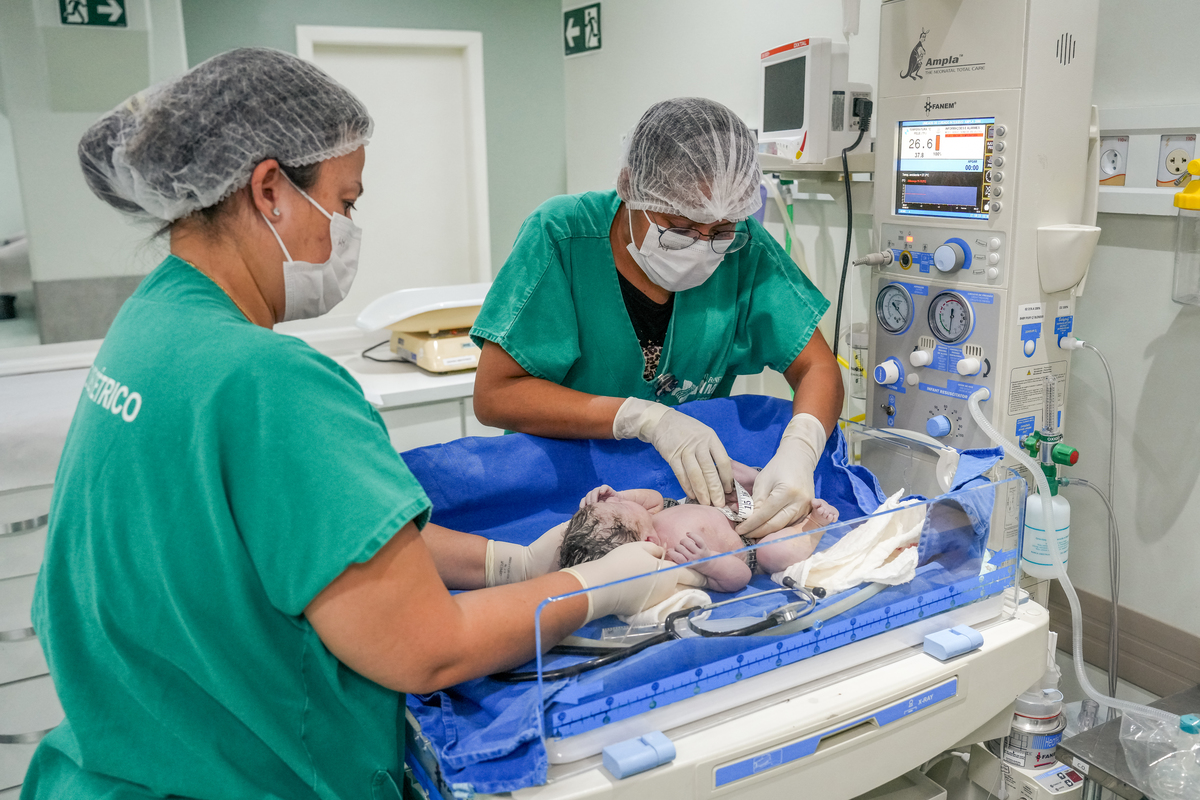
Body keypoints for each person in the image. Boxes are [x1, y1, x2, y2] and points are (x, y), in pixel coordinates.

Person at [23, 48, 699, 800]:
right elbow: (426, 649)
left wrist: (511, 565)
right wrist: (598, 585)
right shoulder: (269, 380)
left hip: (114, 764)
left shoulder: (151, 326)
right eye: (345, 202)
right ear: (270, 191)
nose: (348, 229)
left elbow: (310, 540)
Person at [471, 97, 843, 540]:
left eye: (720, 231)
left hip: (683, 493)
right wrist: (643, 418)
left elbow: (817, 366)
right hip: (564, 491)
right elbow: (495, 396)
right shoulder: (561, 236)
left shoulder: (745, 247)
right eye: (679, 227)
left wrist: (802, 448)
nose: (702, 245)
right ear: (631, 188)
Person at [559, 470, 840, 594]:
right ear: (648, 542)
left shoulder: (652, 516)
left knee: (724, 472)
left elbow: (653, 498)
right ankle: (812, 525)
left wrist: (621, 496)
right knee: (775, 553)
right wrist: (709, 562)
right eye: (620, 506)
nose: (618, 500)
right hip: (752, 543)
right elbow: (740, 577)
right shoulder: (676, 557)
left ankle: (765, 480)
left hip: (729, 503)